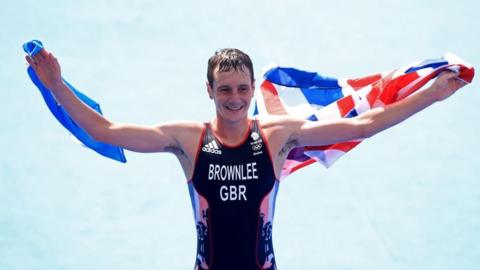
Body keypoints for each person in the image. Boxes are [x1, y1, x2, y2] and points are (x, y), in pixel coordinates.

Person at [25, 48, 467, 270]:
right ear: (209, 91)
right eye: (224, 90)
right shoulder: (187, 140)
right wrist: (57, 85)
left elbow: (364, 126)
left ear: (252, 89)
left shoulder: (278, 137)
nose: (234, 99)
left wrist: (431, 94)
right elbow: (104, 130)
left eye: (241, 89)